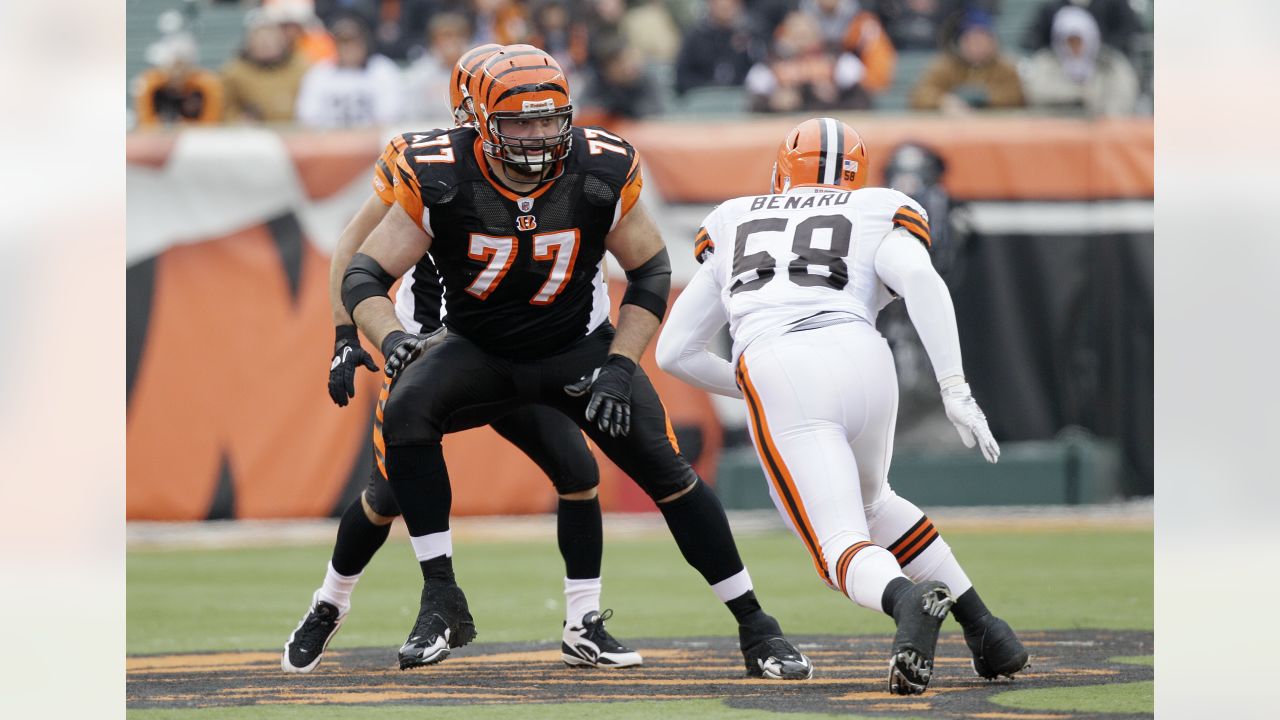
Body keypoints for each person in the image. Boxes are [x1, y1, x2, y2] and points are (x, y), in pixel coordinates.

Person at [341, 45, 813, 679]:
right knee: (407, 410)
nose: (537, 137)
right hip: (479, 348)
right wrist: (391, 339)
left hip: (577, 348)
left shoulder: (599, 167)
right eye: (518, 122)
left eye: (549, 119)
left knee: (669, 473)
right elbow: (366, 271)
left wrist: (621, 364)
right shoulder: (440, 174)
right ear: (477, 121)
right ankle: (441, 594)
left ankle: (758, 626)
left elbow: (649, 269)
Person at [283, 44, 640, 674]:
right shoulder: (426, 164)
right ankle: (331, 601)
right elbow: (353, 247)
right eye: (512, 116)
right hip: (434, 351)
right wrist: (347, 336)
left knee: (576, 469)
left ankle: (584, 621)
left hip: (522, 346)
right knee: (385, 496)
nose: (530, 135)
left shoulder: (560, 164)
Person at [655, 117, 1030, 693]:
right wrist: (955, 388)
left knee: (838, 549)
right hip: (865, 353)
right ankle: (986, 630)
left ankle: (907, 602)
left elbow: (676, 351)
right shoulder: (877, 207)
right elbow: (923, 281)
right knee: (875, 503)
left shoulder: (735, 217)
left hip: (779, 358)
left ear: (783, 170)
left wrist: (758, 388)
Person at [1021, 5, 1138, 116]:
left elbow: (1123, 99)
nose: (1074, 47)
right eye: (1069, 41)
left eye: (1079, 40)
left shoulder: (1113, 65)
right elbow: (1036, 93)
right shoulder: (1044, 64)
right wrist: (1079, 97)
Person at [295, 15, 403, 128]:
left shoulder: (382, 70)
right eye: (343, 43)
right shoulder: (319, 73)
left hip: (372, 140)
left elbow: (389, 116)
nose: (349, 48)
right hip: (328, 141)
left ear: (365, 42)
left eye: (353, 42)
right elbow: (307, 117)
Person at [909, 9, 1023, 113]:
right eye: (971, 41)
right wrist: (945, 101)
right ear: (960, 43)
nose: (977, 46)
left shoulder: (1005, 67)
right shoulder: (944, 66)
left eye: (983, 40)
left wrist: (985, 98)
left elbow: (1017, 95)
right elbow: (920, 94)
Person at [220, 12, 312, 123]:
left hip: (298, 131)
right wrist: (237, 121)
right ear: (250, 43)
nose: (266, 44)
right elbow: (225, 107)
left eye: (270, 39)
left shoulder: (301, 67)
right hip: (255, 134)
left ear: (281, 41)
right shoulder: (234, 72)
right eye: (260, 40)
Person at [133, 33, 224, 128]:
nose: (177, 73)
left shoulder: (205, 86)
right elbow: (146, 126)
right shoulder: (151, 86)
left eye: (182, 66)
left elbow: (210, 125)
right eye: (173, 66)